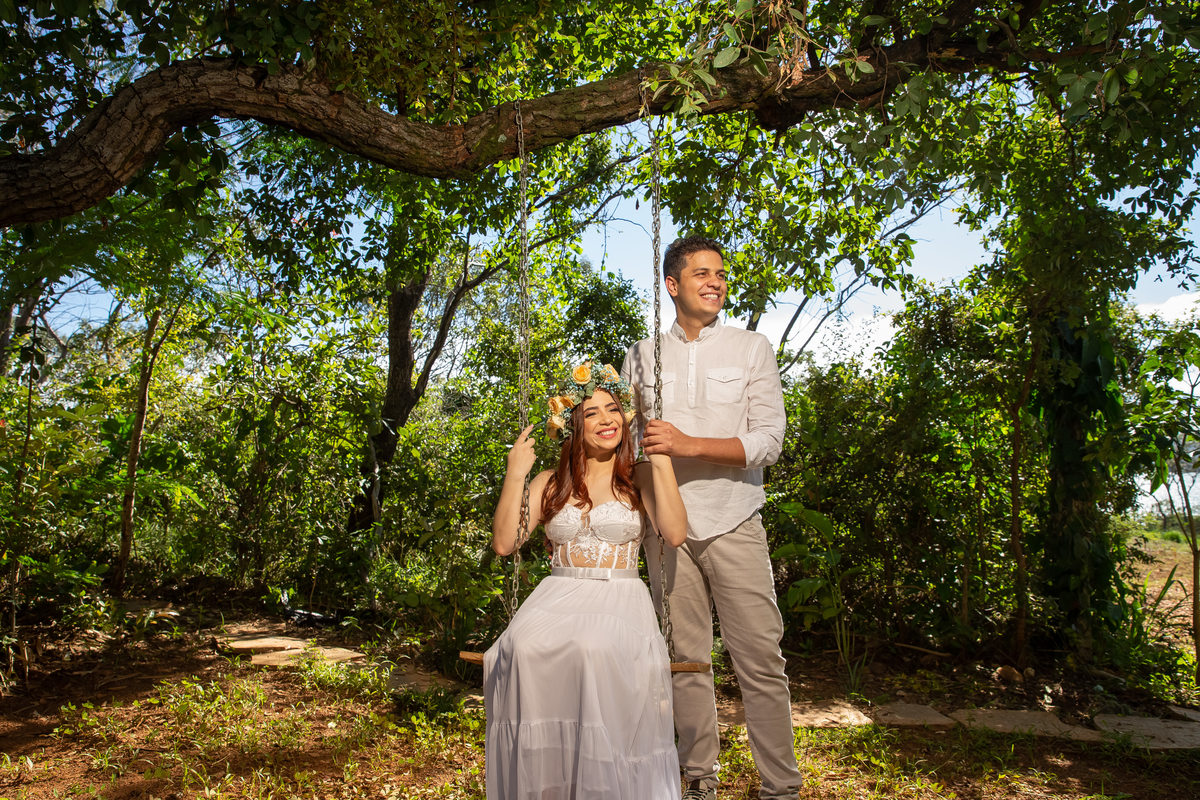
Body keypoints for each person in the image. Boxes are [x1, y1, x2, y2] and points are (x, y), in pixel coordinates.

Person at [621, 236, 801, 800]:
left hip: (734, 519)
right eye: (701, 273)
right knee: (686, 661)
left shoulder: (752, 348)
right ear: (672, 286)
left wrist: (687, 443)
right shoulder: (640, 356)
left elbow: (769, 441)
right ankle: (698, 778)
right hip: (665, 530)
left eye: (721, 274)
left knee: (761, 661)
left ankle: (781, 787)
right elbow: (627, 442)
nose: (716, 281)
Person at [485, 360, 689, 800]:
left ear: (625, 418)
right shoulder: (549, 481)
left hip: (617, 598)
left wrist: (663, 461)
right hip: (555, 597)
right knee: (521, 648)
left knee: (592, 649)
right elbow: (504, 543)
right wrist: (516, 472)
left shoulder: (640, 478)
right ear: (573, 425)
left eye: (612, 409)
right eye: (591, 412)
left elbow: (674, 533)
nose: (605, 420)